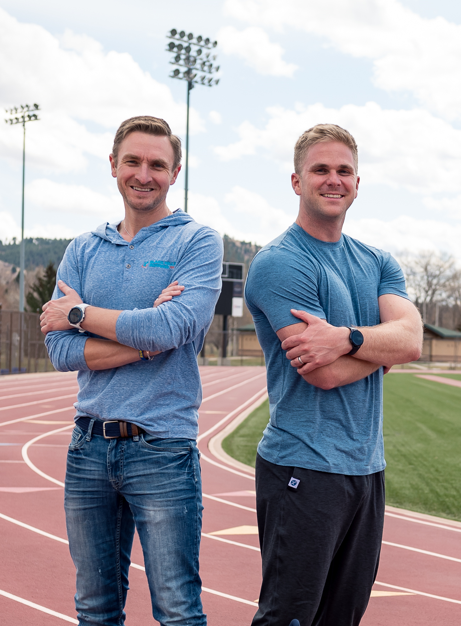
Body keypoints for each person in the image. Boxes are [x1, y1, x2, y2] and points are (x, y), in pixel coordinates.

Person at [40, 115, 223, 626]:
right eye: (133, 162)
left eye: (157, 165)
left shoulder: (197, 242)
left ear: (175, 172)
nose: (144, 175)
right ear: (113, 165)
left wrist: (80, 315)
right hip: (87, 447)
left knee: (177, 610)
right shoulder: (83, 249)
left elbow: (173, 327)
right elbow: (59, 351)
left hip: (162, 447)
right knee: (94, 609)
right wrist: (144, 343)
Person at [245, 124, 422, 626]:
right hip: (303, 465)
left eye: (344, 171)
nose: (333, 180)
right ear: (296, 181)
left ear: (357, 184)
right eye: (320, 169)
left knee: (343, 616)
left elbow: (412, 339)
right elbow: (322, 374)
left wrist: (347, 338)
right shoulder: (280, 263)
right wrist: (381, 348)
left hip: (366, 468)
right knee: (289, 617)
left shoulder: (377, 261)